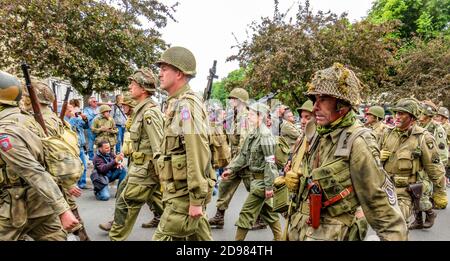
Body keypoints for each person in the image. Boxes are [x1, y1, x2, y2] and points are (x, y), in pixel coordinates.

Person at [285, 63, 407, 241]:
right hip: (301, 229)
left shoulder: (358, 142)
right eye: (314, 99)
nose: (315, 107)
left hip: (333, 234)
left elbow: (381, 208)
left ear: (342, 104)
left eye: (323, 99)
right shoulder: (319, 133)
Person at [0, 71, 79, 240]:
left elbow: (32, 171)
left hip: (15, 208)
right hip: (42, 206)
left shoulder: (5, 131)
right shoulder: (28, 119)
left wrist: (63, 210)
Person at [153, 46, 216, 241]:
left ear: (179, 73)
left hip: (183, 194)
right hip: (176, 191)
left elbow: (197, 151)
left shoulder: (187, 105)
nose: (160, 74)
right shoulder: (176, 103)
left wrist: (196, 199)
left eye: (164, 69)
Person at [108, 69, 164, 241]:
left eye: (133, 84)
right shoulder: (141, 110)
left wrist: (165, 178)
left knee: (125, 207)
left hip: (145, 172)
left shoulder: (149, 112)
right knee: (123, 198)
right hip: (138, 168)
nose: (130, 87)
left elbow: (159, 149)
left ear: (143, 89)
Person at [32, 80, 90, 241]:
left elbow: (54, 152)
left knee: (58, 219)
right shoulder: (53, 118)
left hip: (52, 175)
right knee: (69, 211)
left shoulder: (41, 120)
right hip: (56, 174)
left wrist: (67, 182)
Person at [379, 98, 447, 230]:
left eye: (402, 114)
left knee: (393, 225)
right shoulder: (387, 134)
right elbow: (369, 161)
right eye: (396, 113)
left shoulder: (423, 138)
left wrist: (440, 193)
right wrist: (378, 156)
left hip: (406, 192)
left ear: (412, 118)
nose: (397, 117)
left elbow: (435, 169)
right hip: (384, 189)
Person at [221, 102, 282, 240]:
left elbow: (270, 163)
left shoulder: (265, 135)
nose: (248, 116)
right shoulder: (253, 133)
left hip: (262, 182)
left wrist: (268, 186)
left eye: (252, 114)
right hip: (255, 180)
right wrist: (231, 169)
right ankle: (280, 238)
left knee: (246, 213)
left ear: (260, 116)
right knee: (268, 213)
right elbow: (243, 156)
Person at [209, 87, 252, 229]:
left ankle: (264, 218)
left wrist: (233, 164)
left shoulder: (245, 117)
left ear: (240, 101)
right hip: (236, 160)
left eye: (233, 99)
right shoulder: (234, 116)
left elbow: (244, 144)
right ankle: (219, 215)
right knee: (225, 185)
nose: (231, 101)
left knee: (255, 191)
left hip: (245, 162)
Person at [434, 106, 450, 186]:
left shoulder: (444, 128)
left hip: (443, 155)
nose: (436, 118)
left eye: (438, 116)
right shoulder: (436, 127)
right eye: (436, 116)